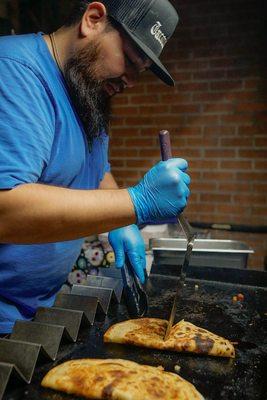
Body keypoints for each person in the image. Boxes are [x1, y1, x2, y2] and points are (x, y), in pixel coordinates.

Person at [0, 0, 190, 335]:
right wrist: (135, 203)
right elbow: (6, 210)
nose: (130, 81)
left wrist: (120, 222)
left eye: (140, 71)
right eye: (129, 61)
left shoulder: (86, 90)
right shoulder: (13, 71)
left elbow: (97, 170)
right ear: (93, 19)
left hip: (35, 313)